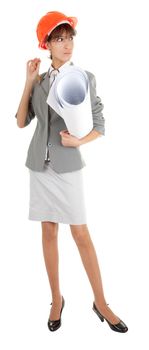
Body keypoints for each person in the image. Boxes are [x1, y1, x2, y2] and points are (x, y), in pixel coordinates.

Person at [15, 11, 128, 333]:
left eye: (69, 38)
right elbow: (22, 122)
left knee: (80, 233)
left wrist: (80, 140)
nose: (67, 45)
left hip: (67, 166)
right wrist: (28, 82)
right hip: (39, 164)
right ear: (47, 45)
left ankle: (101, 303)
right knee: (48, 231)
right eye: (59, 39)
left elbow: (100, 124)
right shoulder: (39, 81)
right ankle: (55, 299)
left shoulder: (84, 77)